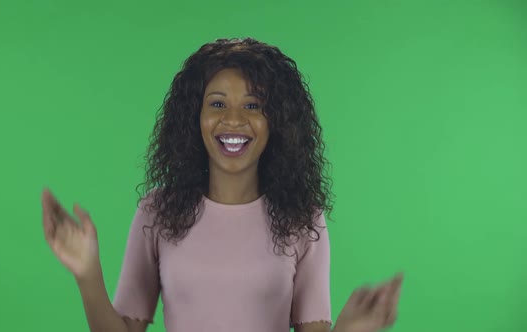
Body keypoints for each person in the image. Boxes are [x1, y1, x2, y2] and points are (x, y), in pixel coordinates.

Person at [41, 37, 403, 332]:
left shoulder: (303, 221)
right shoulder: (157, 212)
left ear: (276, 121)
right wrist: (87, 273)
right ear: (194, 119)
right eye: (217, 103)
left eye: (252, 106)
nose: (233, 120)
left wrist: (351, 331)